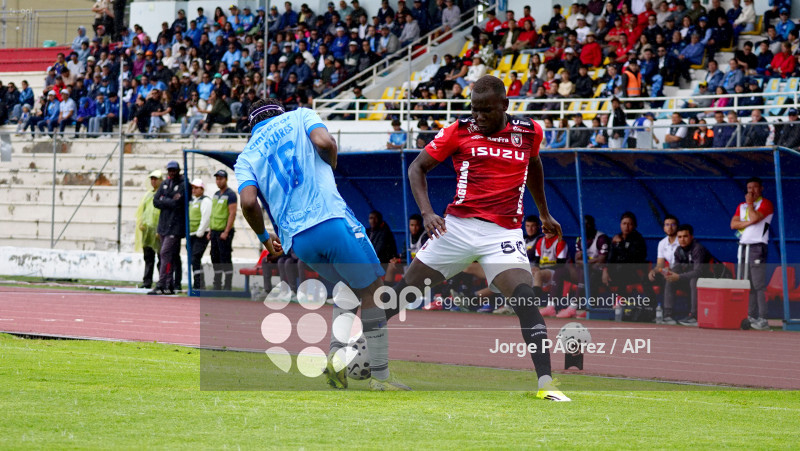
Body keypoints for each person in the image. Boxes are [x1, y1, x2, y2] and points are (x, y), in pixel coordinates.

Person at [385, 75, 569, 401]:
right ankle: (353, 348)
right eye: (474, 109)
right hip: (456, 227)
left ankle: (546, 385)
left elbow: (535, 165)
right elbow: (417, 168)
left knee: (525, 298)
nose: (479, 116)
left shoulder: (529, 132)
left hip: (503, 232)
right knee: (404, 292)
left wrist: (543, 213)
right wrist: (427, 212)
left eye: (486, 111)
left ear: (504, 106)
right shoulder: (459, 130)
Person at [235, 98, 408, 391]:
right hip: (330, 219)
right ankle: (381, 378)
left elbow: (248, 202)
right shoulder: (300, 115)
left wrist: (265, 237)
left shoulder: (246, 156)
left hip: (298, 241)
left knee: (350, 289)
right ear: (279, 111)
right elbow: (324, 142)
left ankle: (335, 358)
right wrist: (332, 163)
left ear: (252, 125)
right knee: (374, 293)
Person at [730, 176, 773, 331]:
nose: (752, 191)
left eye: (755, 187)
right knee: (748, 284)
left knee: (759, 284)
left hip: (757, 246)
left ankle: (763, 318)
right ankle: (751, 315)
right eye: (749, 188)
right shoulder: (741, 205)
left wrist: (750, 205)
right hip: (743, 246)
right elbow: (733, 224)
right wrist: (748, 221)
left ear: (761, 188)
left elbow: (755, 218)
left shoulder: (765, 203)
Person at [661, 224, 714, 326]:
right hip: (687, 280)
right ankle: (668, 315)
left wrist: (679, 276)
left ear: (691, 237)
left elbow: (698, 272)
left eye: (685, 236)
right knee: (670, 280)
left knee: (694, 279)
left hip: (705, 281)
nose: (682, 239)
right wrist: (669, 272)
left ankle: (695, 316)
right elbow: (677, 269)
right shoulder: (678, 250)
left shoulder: (698, 249)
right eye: (679, 237)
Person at [150, 161, 186, 295]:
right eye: (170, 170)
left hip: (175, 226)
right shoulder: (165, 183)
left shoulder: (182, 184)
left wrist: (165, 200)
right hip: (164, 225)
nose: (171, 173)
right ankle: (169, 284)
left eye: (174, 170)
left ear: (178, 170)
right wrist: (169, 200)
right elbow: (156, 201)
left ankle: (162, 283)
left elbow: (178, 203)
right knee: (169, 256)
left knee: (165, 253)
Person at [603, 211, 647, 289]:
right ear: (620, 225)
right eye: (624, 223)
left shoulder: (638, 239)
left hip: (633, 271)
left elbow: (631, 259)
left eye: (629, 224)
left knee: (621, 269)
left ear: (634, 226)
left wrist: (620, 245)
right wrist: (605, 270)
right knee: (594, 273)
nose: (626, 227)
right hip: (616, 270)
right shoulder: (617, 237)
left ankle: (621, 299)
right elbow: (610, 257)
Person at [209, 170, 237, 291]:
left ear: (226, 179)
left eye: (221, 178)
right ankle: (217, 284)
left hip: (224, 232)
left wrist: (226, 231)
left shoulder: (231, 195)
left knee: (225, 257)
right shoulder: (216, 194)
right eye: (217, 179)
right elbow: (213, 213)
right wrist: (210, 230)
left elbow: (232, 213)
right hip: (215, 230)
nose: (218, 181)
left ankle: (227, 285)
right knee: (214, 257)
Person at [135, 170, 162, 289]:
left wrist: (160, 229)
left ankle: (162, 281)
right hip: (147, 230)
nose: (153, 181)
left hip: (159, 230)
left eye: (156, 179)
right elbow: (142, 210)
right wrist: (141, 223)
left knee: (162, 257)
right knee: (148, 257)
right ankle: (147, 281)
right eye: (152, 179)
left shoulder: (163, 194)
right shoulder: (147, 195)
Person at [188, 179, 212, 290]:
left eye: (196, 188)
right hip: (192, 234)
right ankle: (198, 282)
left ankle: (199, 284)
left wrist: (200, 232)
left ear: (202, 189)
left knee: (195, 258)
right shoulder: (192, 201)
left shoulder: (205, 201)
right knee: (194, 259)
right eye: (193, 188)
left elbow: (206, 217)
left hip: (200, 235)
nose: (194, 190)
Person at [648, 214, 680, 285]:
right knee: (648, 278)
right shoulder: (662, 243)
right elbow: (660, 265)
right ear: (664, 228)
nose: (670, 227)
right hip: (668, 272)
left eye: (673, 225)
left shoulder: (681, 241)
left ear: (677, 227)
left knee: (667, 279)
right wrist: (653, 271)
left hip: (680, 272)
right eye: (667, 225)